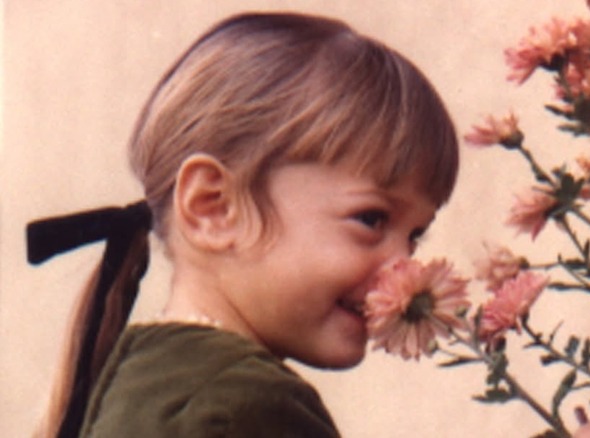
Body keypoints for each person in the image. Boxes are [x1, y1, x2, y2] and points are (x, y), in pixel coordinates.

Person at [27, 12, 459, 438]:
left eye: (414, 237)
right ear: (212, 208)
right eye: (371, 219)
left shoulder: (145, 377)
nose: (405, 270)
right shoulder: (248, 406)